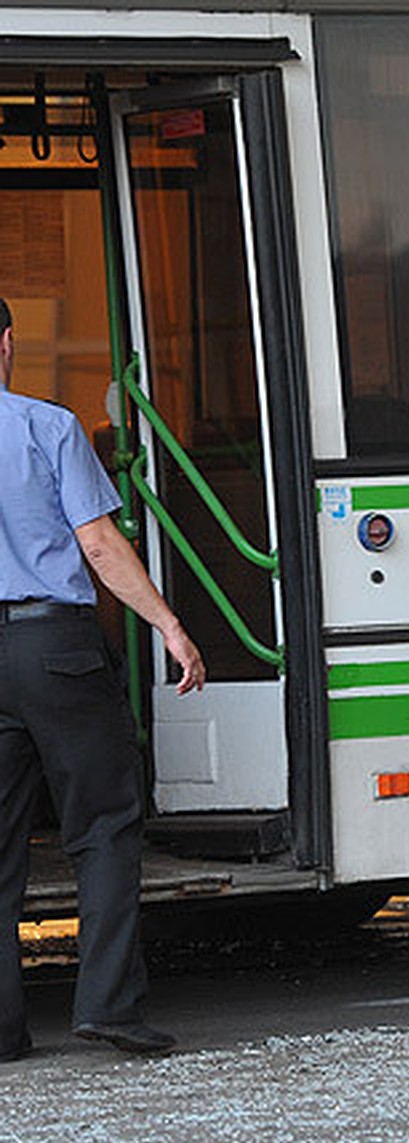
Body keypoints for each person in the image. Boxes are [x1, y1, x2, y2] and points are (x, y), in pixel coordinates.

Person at [0, 298, 205, 1061]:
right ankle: (110, 1007)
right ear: (8, 342)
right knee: (105, 827)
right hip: (56, 649)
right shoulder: (48, 427)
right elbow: (99, 544)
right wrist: (169, 625)